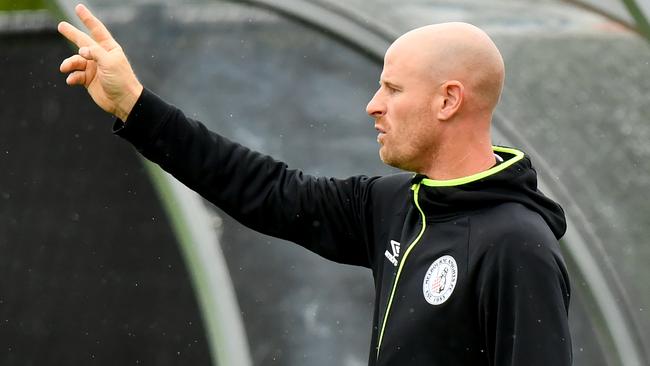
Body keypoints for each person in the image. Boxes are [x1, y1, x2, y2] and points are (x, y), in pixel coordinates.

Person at [57, 4, 572, 365]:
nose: (373, 104)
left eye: (392, 89)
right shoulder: (394, 204)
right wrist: (136, 106)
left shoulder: (516, 245)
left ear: (448, 101)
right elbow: (265, 191)